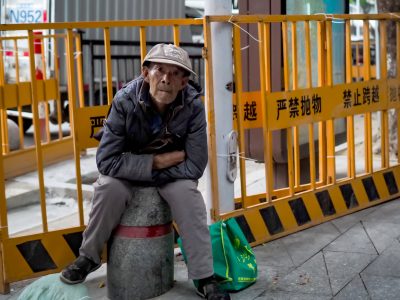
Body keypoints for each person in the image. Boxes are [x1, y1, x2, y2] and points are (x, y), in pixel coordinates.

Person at [60, 43, 230, 300]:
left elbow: (195, 165)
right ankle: (88, 257)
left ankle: (204, 275)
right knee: (108, 187)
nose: (165, 79)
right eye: (159, 70)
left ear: (184, 83)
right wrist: (157, 163)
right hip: (137, 169)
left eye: (175, 74)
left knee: (188, 193)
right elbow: (106, 161)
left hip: (165, 173)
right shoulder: (125, 100)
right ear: (145, 73)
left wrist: (154, 173)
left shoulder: (193, 105)